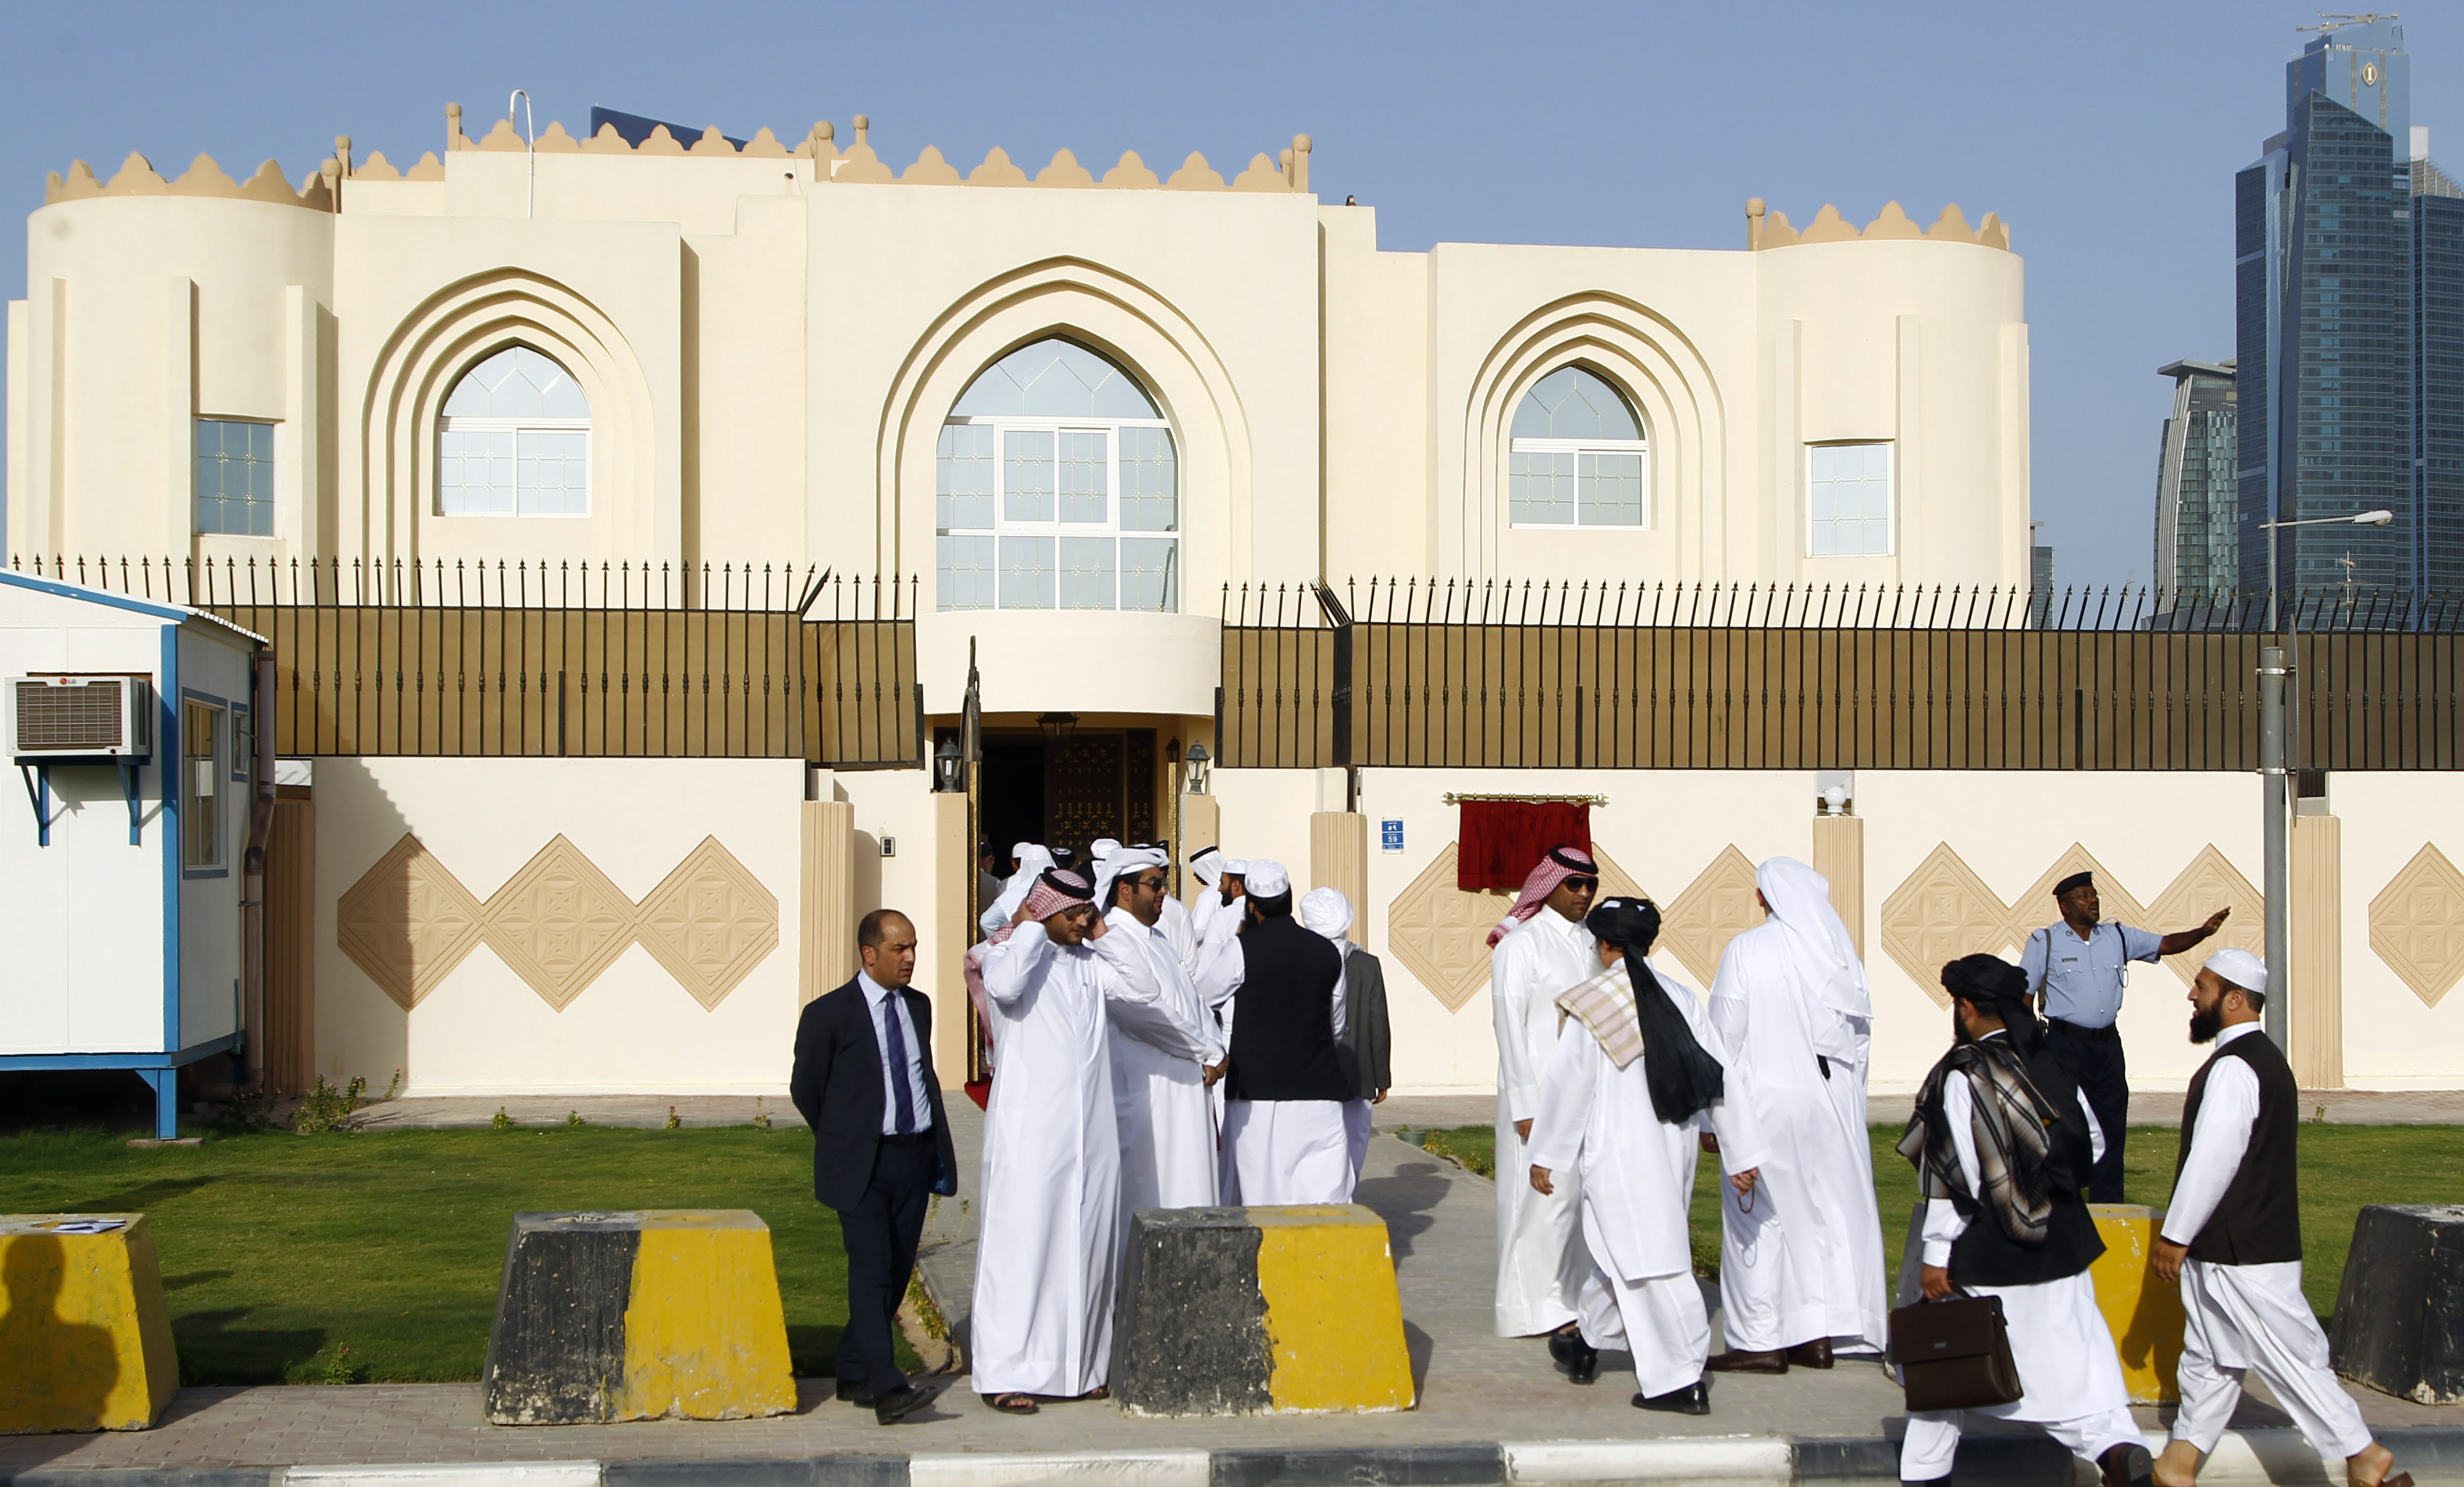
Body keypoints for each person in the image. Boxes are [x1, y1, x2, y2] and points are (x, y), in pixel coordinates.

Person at [2150, 951, 2413, 1487]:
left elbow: (2214, 1158)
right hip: (2241, 1246)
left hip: (2238, 1250)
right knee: (2211, 1359)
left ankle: (2363, 1454)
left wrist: (2174, 1235)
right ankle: (2176, 1465)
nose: (2191, 996)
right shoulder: (2261, 1060)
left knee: (2289, 1359)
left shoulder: (2235, 1067)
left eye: (2200, 986)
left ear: (2233, 998)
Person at [1896, 955, 2150, 1487]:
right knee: (2079, 1369)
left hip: (1990, 1249)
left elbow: (1955, 1174)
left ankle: (1924, 1477)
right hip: (2063, 1242)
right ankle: (2118, 1451)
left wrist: (1936, 1256)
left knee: (1944, 1370)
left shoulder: (1961, 1073)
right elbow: (2094, 1144)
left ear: (1965, 1008)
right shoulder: (2047, 1063)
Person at [1526, 897, 1766, 1416]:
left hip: (1618, 1154)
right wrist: (1738, 1150)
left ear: (1605, 945)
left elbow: (1571, 1086)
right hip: (1671, 1151)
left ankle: (1681, 1380)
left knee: (1652, 1265)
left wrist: (1546, 1154)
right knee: (1623, 1252)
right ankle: (1587, 1344)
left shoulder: (1592, 1001)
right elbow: (1721, 1076)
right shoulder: (1680, 996)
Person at [971, 867, 1167, 1416]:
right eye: (1074, 913)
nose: (1083, 921)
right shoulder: (1011, 956)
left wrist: (1101, 932)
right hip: (1031, 1133)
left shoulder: (1088, 964)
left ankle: (1077, 1370)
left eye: (1088, 912)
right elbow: (1004, 987)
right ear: (1044, 908)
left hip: (1091, 1135)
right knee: (1026, 1247)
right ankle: (1007, 1370)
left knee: (1087, 1246)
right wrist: (1033, 924)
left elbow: (1146, 987)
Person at [1706, 856, 1887, 1372]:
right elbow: (1860, 1042)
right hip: (1832, 1105)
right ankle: (1816, 1335)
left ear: (1767, 897)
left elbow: (1723, 1039)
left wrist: (1714, 1117)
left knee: (1757, 1217)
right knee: (1822, 1215)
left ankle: (1759, 1340)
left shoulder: (1747, 948)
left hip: (1764, 1101)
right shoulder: (1841, 957)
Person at [788, 909, 956, 1426]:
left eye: (913, 948)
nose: (909, 958)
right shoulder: (828, 1014)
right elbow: (806, 1090)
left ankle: (853, 1370)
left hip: (915, 1156)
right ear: (869, 954)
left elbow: (920, 1075)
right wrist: (845, 1138)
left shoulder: (919, 1007)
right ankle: (887, 1387)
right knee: (869, 1271)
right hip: (862, 1165)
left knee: (896, 1270)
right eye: (899, 949)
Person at [2022, 871, 2229, 1203]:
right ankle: (2062, 1200)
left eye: (2094, 895)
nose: (2093, 901)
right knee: (2064, 1125)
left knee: (2112, 1124)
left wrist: (2203, 933)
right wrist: (2026, 1047)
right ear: (2064, 906)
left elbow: (2165, 944)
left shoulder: (2117, 936)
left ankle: (2108, 1203)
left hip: (2106, 1046)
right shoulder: (2045, 941)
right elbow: (2025, 994)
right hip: (2064, 1046)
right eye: (2084, 896)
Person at [1489, 844, 1601, 1340]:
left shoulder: (1591, 943)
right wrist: (1525, 1104)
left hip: (1586, 1095)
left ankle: (1567, 1303)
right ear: (1548, 886)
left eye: (1591, 885)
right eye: (1573, 884)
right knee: (1534, 1205)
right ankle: (1526, 1309)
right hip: (1537, 1097)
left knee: (1574, 1204)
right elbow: (1509, 1029)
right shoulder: (1523, 945)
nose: (1584, 894)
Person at [1196, 859, 1353, 1205]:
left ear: (1250, 906)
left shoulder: (1242, 948)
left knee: (1262, 1191)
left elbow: (1202, 997)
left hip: (1256, 1090)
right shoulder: (1327, 951)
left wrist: (1214, 1051)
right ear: (1289, 899)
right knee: (1320, 1191)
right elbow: (1336, 1026)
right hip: (1318, 1088)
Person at [1096, 845, 1226, 1216]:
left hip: (1188, 1083)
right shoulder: (1113, 941)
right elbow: (1147, 1016)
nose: (1163, 892)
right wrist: (1209, 1052)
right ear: (1125, 890)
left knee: (1191, 1189)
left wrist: (1213, 1047)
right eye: (1154, 884)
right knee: (1155, 1195)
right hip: (1150, 1091)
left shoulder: (1159, 940)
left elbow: (1193, 998)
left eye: (1164, 883)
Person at [1300, 887, 1391, 1187]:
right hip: (1358, 1069)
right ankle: (1347, 1194)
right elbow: (1378, 1022)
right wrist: (1382, 1076)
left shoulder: (1301, 961)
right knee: (1355, 1138)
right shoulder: (1367, 965)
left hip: (1312, 1069)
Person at [979, 841, 1055, 934]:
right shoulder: (1060, 889)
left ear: (1014, 863)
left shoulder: (1014, 891)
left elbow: (987, 922)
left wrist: (1006, 943)